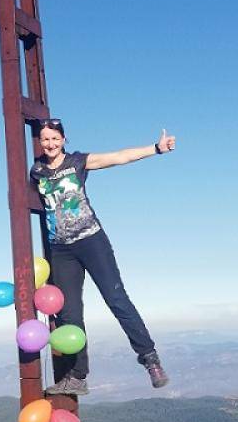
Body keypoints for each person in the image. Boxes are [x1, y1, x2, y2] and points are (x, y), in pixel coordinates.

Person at [30, 119, 176, 396]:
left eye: (55, 138)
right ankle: (78, 376)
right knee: (69, 313)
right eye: (45, 139)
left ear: (64, 139)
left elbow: (118, 157)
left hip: (91, 240)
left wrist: (156, 149)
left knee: (116, 298)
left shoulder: (77, 162)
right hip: (61, 250)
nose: (50, 144)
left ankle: (150, 359)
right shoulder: (37, 171)